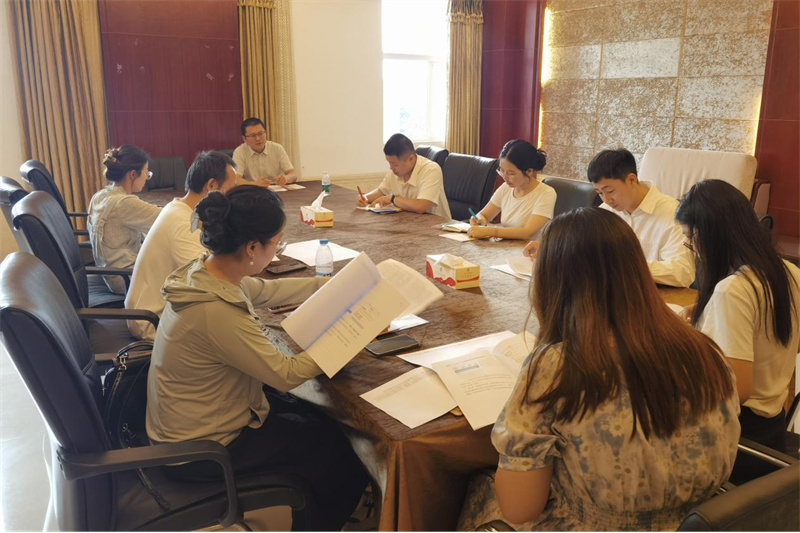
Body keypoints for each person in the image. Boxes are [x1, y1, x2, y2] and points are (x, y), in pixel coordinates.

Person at [459, 207, 740, 531]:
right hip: (702, 523)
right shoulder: (705, 350)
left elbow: (520, 508)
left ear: (553, 283)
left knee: (477, 485)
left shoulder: (557, 366)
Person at [146, 185, 369, 531]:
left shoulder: (207, 273)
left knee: (317, 419)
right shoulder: (215, 310)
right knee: (341, 449)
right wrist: (349, 337)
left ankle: (316, 507)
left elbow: (266, 290)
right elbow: (285, 374)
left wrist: (333, 285)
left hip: (197, 424)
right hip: (203, 451)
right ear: (252, 248)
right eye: (276, 243)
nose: (277, 248)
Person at [675, 179, 800, 483]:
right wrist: (711, 316)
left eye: (690, 240)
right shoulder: (789, 272)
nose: (694, 251)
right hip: (771, 429)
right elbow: (790, 344)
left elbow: (736, 389)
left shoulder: (733, 290)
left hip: (736, 442)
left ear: (708, 235)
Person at [125, 151, 237, 340]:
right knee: (234, 328)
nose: (232, 198)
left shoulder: (179, 208)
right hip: (153, 320)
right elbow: (211, 281)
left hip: (157, 308)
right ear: (211, 186)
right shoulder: (183, 223)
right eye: (231, 189)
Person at [575, 148, 694, 287]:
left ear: (631, 180)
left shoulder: (672, 213)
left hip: (655, 294)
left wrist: (626, 266)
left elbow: (683, 272)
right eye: (600, 193)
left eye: (610, 191)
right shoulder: (606, 212)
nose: (606, 200)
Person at [87, 145, 162, 294]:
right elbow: (167, 218)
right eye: (146, 172)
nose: (147, 178)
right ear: (133, 174)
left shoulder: (99, 196)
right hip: (127, 279)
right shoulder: (124, 203)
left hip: (109, 273)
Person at [468, 140, 555, 240]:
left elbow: (527, 232)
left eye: (511, 173)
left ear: (529, 171)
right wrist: (479, 220)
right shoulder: (506, 188)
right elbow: (484, 215)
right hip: (506, 246)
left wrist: (490, 231)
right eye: (502, 170)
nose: (505, 177)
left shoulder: (546, 194)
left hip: (530, 248)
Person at [356, 133, 451, 219]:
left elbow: (421, 206)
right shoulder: (395, 171)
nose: (391, 168)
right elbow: (381, 191)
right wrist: (365, 198)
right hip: (409, 221)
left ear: (411, 159)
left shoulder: (431, 170)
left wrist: (392, 199)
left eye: (394, 164)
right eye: (389, 162)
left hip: (436, 227)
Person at [232, 117, 296, 186]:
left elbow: (292, 174)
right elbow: (235, 179)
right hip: (251, 189)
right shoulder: (240, 152)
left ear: (265, 133)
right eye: (253, 135)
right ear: (244, 139)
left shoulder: (277, 148)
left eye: (260, 134)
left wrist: (286, 178)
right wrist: (255, 184)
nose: (258, 138)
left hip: (275, 189)